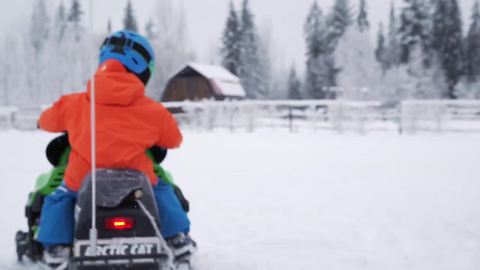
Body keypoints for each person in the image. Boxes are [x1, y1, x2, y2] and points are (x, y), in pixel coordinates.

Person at [36, 30, 195, 265]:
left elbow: (47, 121)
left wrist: (43, 121)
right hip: (138, 179)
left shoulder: (75, 103)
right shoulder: (151, 109)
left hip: (82, 178)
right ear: (143, 69)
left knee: (58, 198)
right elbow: (174, 139)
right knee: (163, 190)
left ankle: (57, 246)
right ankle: (176, 238)